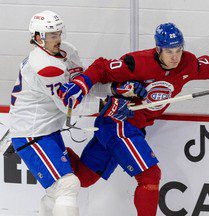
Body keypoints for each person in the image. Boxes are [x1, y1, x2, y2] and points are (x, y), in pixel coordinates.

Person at [58, 22, 209, 216]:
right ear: (158, 49)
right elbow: (102, 68)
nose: (175, 56)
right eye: (169, 51)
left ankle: (52, 154)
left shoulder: (188, 63)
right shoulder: (137, 62)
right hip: (118, 123)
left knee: (83, 179)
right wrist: (81, 84)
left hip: (132, 128)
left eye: (179, 49)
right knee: (150, 176)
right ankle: (47, 153)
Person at [8, 10, 133, 216]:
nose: (58, 39)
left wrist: (113, 89)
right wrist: (107, 105)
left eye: (59, 33)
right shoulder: (44, 67)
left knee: (57, 191)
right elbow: (70, 106)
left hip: (46, 131)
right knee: (68, 184)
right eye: (52, 35)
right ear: (38, 38)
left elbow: (81, 89)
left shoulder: (67, 52)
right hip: (32, 132)